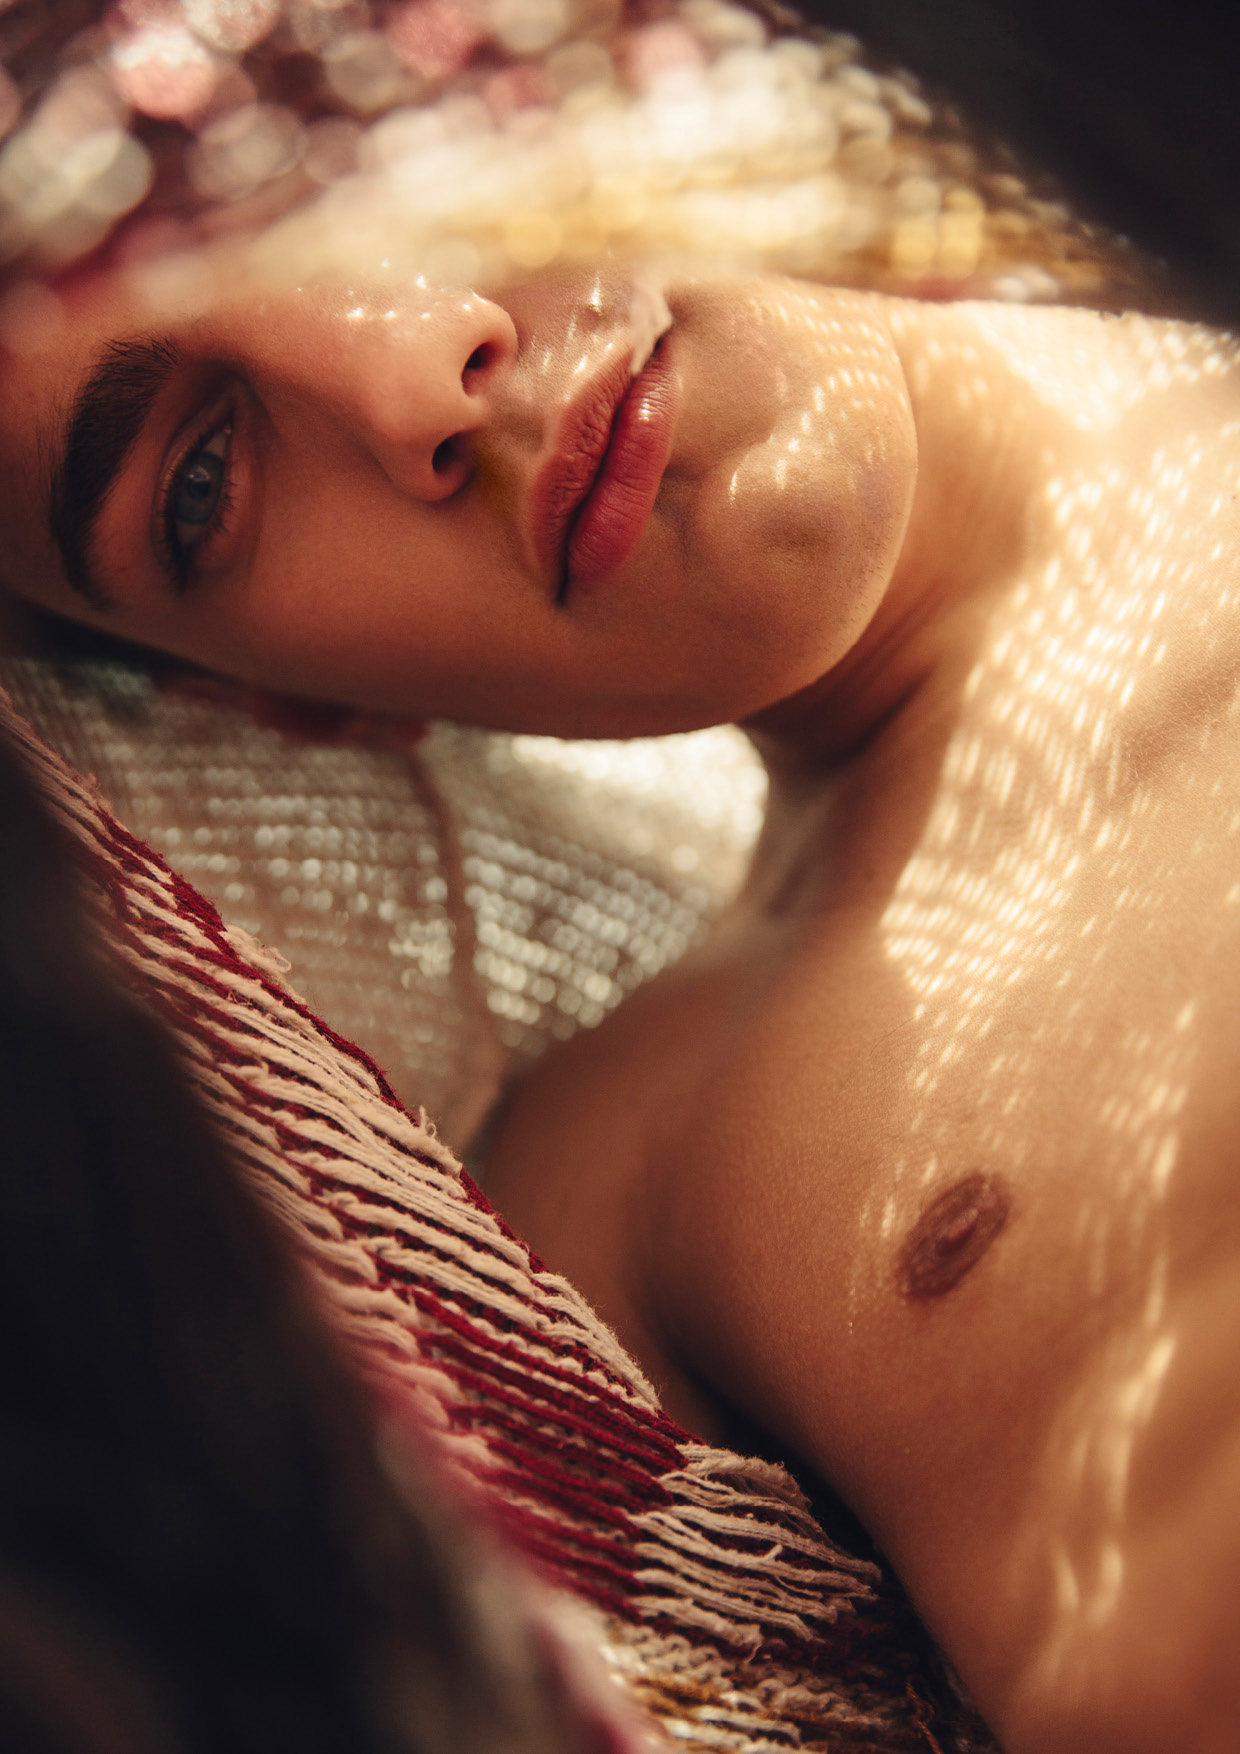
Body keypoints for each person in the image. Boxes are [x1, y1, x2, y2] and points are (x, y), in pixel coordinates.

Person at [3, 236, 1240, 1754]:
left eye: (305, 190)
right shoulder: (628, 1198)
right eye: (200, 482)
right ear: (300, 702)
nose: (414, 364)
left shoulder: (1180, 223)